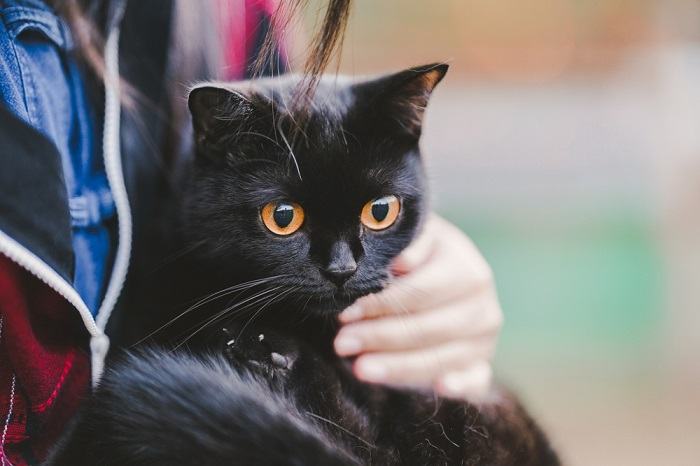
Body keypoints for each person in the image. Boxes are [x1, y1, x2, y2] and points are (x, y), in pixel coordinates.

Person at [0, 0, 503, 464]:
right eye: (284, 219)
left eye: (379, 215)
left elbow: (327, 149)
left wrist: (445, 288)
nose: (342, 266)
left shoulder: (235, 14)